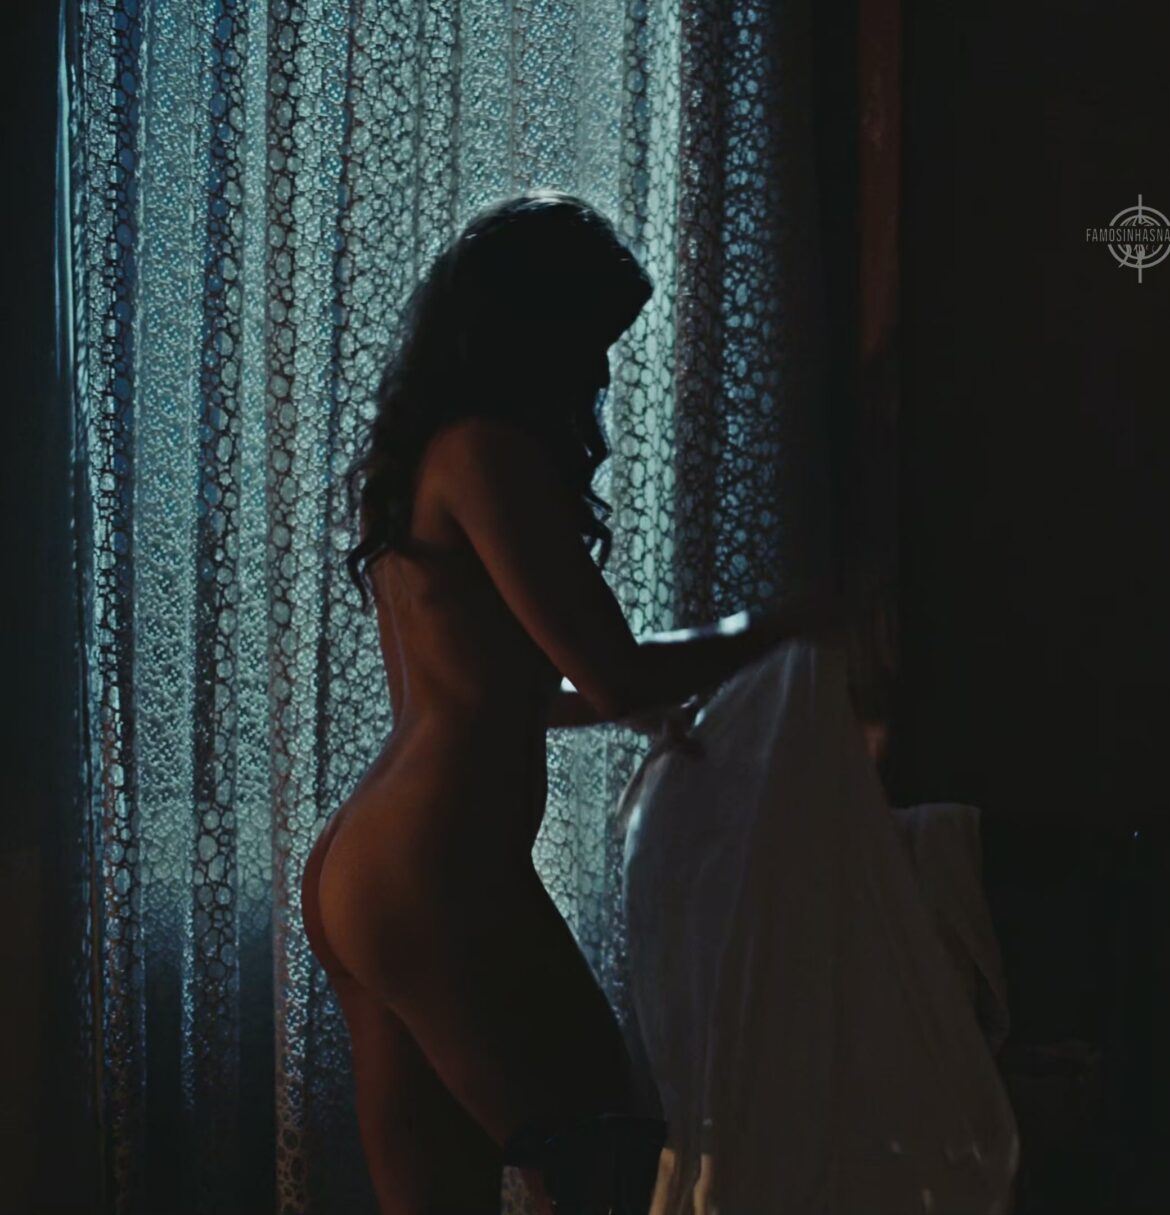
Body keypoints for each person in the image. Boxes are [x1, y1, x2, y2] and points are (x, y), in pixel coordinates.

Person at [299, 189, 839, 1215]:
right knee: (613, 1169)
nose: (599, 371)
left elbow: (506, 694)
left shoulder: (421, 458)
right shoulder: (487, 451)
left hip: (366, 868)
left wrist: (653, 710)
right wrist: (782, 624)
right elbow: (614, 672)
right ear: (534, 331)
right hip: (439, 871)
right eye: (590, 340)